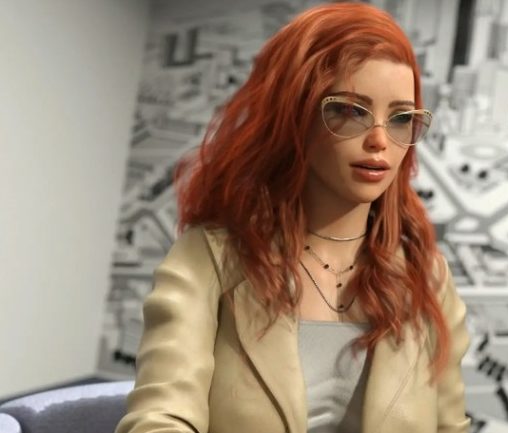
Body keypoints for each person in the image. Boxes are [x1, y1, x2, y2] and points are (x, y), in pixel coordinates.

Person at [115, 3, 471, 433]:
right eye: (350, 111)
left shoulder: (426, 277)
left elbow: (451, 427)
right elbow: (160, 420)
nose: (379, 140)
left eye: (400, 119)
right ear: (293, 117)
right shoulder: (211, 259)